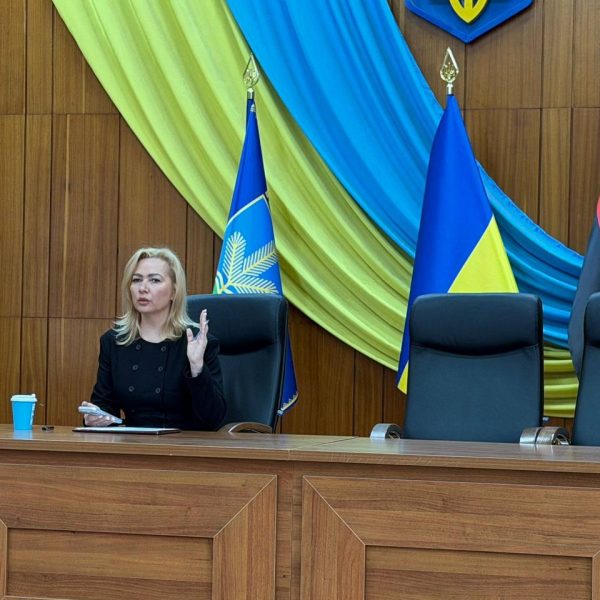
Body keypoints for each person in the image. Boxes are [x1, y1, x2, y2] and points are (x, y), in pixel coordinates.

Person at [82, 247, 226, 430]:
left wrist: (197, 366)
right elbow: (105, 406)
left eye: (154, 280)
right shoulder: (114, 341)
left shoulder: (197, 343)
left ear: (174, 291)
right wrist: (95, 417)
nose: (142, 288)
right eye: (136, 280)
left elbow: (213, 420)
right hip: (134, 442)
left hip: (187, 443)